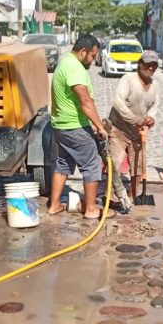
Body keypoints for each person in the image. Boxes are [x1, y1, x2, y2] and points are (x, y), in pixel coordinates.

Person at [46, 34, 114, 219]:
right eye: (92, 56)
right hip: (75, 126)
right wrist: (99, 126)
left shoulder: (64, 61)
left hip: (60, 126)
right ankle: (91, 209)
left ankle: (54, 205)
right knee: (91, 163)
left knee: (63, 163)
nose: (93, 61)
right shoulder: (75, 67)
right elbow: (85, 100)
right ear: (83, 51)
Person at [107, 50, 161, 203]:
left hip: (138, 132)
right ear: (140, 64)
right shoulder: (128, 79)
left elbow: (154, 105)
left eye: (153, 65)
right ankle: (111, 196)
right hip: (119, 129)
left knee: (138, 166)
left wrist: (151, 117)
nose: (150, 68)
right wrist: (134, 119)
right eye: (147, 64)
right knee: (115, 164)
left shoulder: (155, 85)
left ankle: (133, 195)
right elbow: (118, 103)